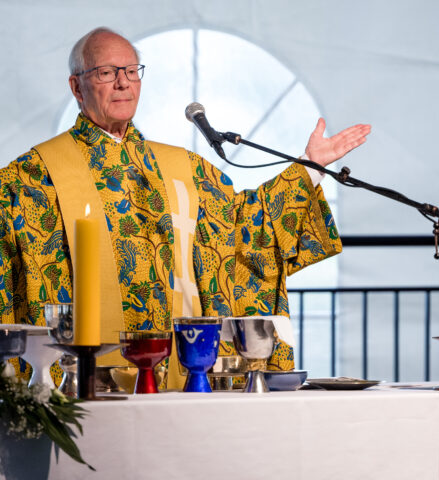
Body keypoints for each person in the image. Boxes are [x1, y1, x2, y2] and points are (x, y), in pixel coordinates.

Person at [0, 27, 370, 388]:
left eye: (131, 71)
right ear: (76, 86)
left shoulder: (183, 168)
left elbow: (243, 227)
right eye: (107, 72)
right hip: (81, 384)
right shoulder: (32, 178)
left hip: (182, 376)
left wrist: (309, 169)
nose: (123, 83)